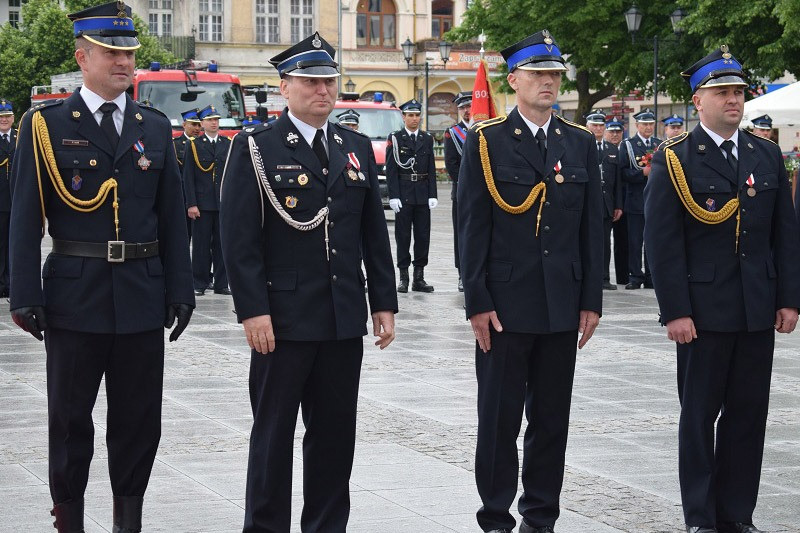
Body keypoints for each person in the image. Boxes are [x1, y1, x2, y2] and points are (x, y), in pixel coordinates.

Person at [8, 3, 194, 531]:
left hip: (141, 293)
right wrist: (25, 293)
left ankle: (127, 521)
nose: (124, 62)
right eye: (112, 53)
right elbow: (25, 217)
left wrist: (180, 289)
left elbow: (171, 218)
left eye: (129, 53)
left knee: (139, 421)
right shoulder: (45, 126)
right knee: (70, 421)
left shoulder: (152, 126)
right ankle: (69, 518)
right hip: (74, 295)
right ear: (82, 58)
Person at [220, 31, 397, 533]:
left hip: (341, 316)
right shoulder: (257, 147)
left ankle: (326, 526)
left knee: (335, 438)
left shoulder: (353, 146)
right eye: (311, 82)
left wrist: (382, 301)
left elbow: (372, 234)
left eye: (329, 81)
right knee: (273, 436)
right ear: (285, 87)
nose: (323, 90)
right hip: (283, 320)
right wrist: (253, 310)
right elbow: (239, 239)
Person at [644, 45, 800, 533]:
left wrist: (789, 298)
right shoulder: (675, 158)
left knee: (748, 417)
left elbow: (785, 234)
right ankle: (701, 517)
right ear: (698, 101)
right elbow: (662, 243)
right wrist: (675, 311)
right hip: (703, 312)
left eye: (738, 92)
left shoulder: (765, 153)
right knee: (698, 418)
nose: (734, 100)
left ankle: (737, 515)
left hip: (756, 308)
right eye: (723, 92)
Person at [458, 29, 602, 533]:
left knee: (551, 421)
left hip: (561, 303)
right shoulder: (487, 140)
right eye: (538, 73)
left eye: (554, 74)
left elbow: (591, 230)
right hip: (504, 305)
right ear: (514, 80)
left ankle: (540, 517)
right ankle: (496, 515)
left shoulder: (580, 143)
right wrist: (476, 300)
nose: (548, 82)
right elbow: (471, 227)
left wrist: (591, 300)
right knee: (499, 418)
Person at [386, 99, 437, 293]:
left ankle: (419, 278)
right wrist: (393, 196)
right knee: (403, 237)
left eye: (417, 115)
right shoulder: (396, 138)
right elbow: (391, 169)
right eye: (410, 115)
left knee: (423, 236)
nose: (414, 119)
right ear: (403, 117)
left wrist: (432, 194)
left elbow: (431, 168)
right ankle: (404, 278)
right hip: (404, 194)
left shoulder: (427, 138)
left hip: (422, 194)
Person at [183, 104, 231, 296]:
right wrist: (191, 204)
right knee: (201, 246)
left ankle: (221, 283)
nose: (214, 123)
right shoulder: (194, 145)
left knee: (222, 245)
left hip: (222, 203)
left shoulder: (227, 143)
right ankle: (199, 283)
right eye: (210, 120)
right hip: (202, 204)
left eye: (216, 120)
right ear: (202, 123)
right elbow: (188, 177)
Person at [619, 108, 660, 289]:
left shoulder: (659, 144)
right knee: (635, 242)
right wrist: (641, 173)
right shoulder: (628, 145)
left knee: (652, 241)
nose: (648, 127)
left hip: (654, 200)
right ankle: (635, 276)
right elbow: (622, 172)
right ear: (637, 125)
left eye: (651, 124)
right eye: (645, 124)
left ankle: (651, 276)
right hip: (635, 199)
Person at [586, 109, 622, 290]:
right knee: (587, 241)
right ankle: (588, 277)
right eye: (595, 125)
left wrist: (618, 205)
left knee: (605, 243)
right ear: (587, 126)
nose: (598, 128)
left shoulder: (611, 149)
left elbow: (618, 182)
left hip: (607, 204)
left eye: (601, 125)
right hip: (587, 203)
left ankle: (604, 277)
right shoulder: (582, 146)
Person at [444, 91, 472, 292]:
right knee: (461, 234)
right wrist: (468, 185)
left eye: (469, 106)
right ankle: (462, 273)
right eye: (462, 108)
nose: (466, 111)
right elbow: (451, 164)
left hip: (486, 192)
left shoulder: (485, 129)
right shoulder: (453, 133)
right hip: (462, 193)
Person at [605, 119, 629, 286]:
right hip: (607, 201)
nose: (615, 135)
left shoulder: (628, 147)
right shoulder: (601, 149)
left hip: (625, 201)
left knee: (623, 241)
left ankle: (623, 277)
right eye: (612, 131)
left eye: (618, 132)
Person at [0, 99, 16, 298]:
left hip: (16, 200)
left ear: (13, 118)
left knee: (14, 243)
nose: (4, 120)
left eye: (7, 116)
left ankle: (11, 282)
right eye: (1, 117)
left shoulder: (20, 137)